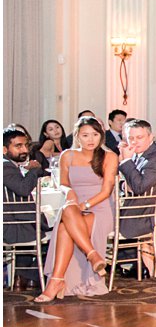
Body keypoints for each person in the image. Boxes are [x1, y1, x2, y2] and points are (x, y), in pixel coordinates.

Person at [35, 118, 119, 302]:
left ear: (101, 136)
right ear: (77, 136)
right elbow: (63, 184)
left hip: (99, 208)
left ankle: (55, 282)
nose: (91, 139)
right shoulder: (68, 155)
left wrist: (85, 205)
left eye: (95, 135)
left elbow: (106, 192)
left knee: (66, 222)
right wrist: (69, 191)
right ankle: (92, 255)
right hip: (74, 206)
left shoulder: (109, 156)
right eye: (85, 135)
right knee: (68, 212)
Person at [4, 125, 49, 291]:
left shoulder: (9, 165)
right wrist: (35, 170)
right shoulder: (5, 167)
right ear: (4, 149)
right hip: (11, 226)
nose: (24, 150)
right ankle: (29, 277)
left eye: (25, 145)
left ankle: (23, 278)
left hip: (16, 221)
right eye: (18, 146)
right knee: (58, 234)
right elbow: (23, 189)